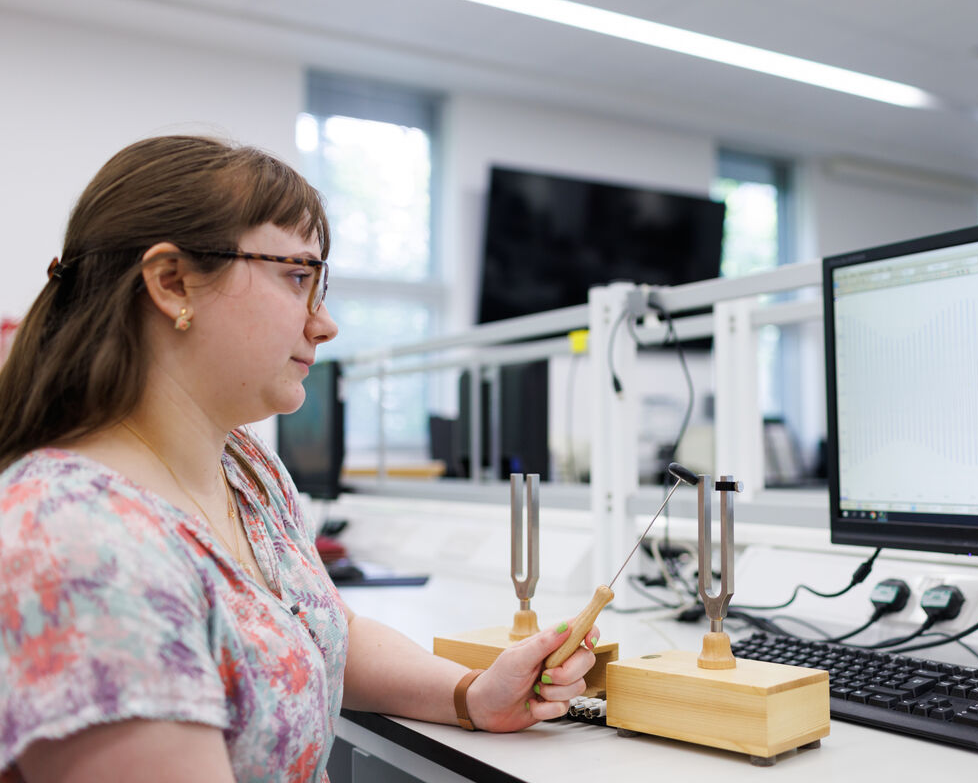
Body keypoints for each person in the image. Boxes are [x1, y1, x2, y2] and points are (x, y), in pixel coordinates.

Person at [0, 135, 598, 783]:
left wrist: (472, 695)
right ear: (173, 284)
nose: (325, 323)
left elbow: (321, 631)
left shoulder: (245, 470)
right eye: (297, 277)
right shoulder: (82, 547)